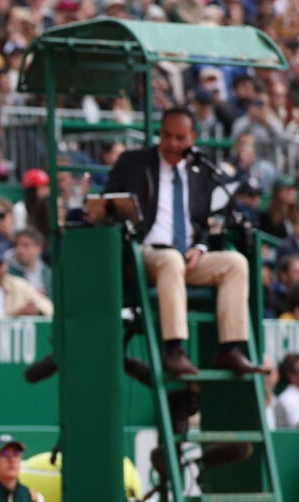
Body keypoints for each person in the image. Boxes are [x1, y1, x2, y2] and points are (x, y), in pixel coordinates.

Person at [100, 108, 263, 377]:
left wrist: (200, 247)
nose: (173, 144)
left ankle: (229, 349)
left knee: (235, 263)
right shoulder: (133, 162)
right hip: (145, 253)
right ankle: (174, 350)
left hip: (187, 257)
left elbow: (203, 221)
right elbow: (110, 204)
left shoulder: (201, 171)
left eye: (180, 138)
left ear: (193, 138)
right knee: (171, 260)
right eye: (166, 136)